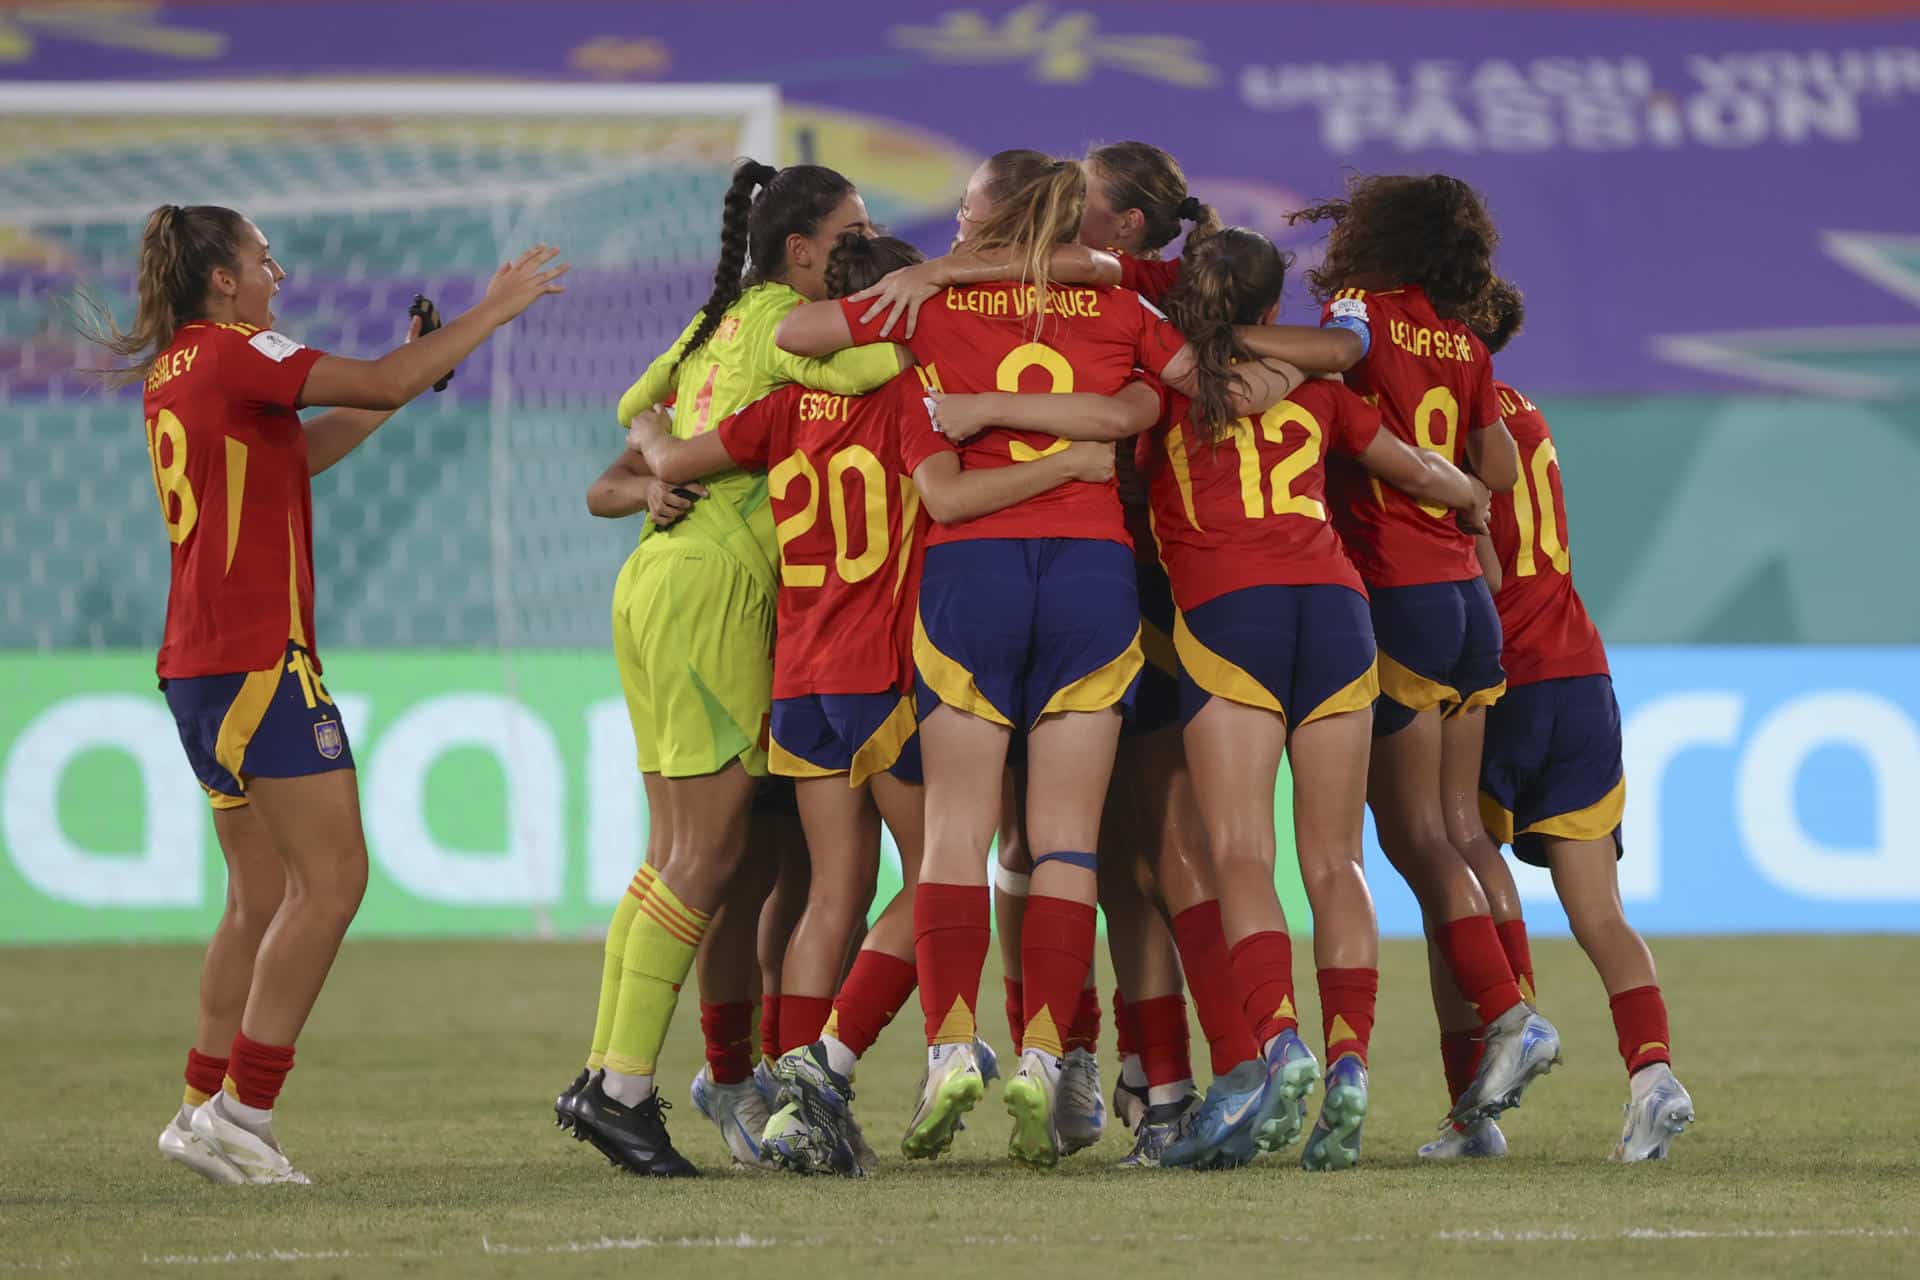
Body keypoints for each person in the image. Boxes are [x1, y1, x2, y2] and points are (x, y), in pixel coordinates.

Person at [776, 156, 1285, 1170]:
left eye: (967, 208)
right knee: (1066, 843)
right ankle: (1047, 1057)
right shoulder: (1117, 308)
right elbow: (1223, 384)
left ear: (989, 219)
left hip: (974, 576)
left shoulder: (926, 304)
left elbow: (796, 332)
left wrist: (951, 279)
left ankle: (953, 1040)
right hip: (1094, 575)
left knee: (957, 840)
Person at [80, 204, 564, 1184]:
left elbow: (307, 449)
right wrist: (493, 310)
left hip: (197, 664)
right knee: (334, 877)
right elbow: (381, 375)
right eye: (265, 257)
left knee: (261, 892)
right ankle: (247, 1113)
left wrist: (415, 371)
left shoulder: (181, 369)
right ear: (223, 278)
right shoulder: (234, 345)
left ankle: (198, 1105)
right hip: (259, 654)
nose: (279, 272)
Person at [633, 233, 1124, 1175]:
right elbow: (945, 497)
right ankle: (850, 1063)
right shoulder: (909, 399)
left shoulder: (781, 405)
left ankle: (789, 1097)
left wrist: (652, 441)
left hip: (802, 674)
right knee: (946, 867)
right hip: (890, 673)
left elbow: (645, 462)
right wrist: (1069, 466)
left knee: (833, 892)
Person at [562, 159, 906, 1178]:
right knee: (709, 860)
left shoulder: (718, 320)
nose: (861, 247)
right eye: (853, 233)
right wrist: (941, 307)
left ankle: (607, 1074)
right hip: (719, 593)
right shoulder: (788, 332)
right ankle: (623, 1088)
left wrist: (659, 450)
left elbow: (634, 401)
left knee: (678, 852)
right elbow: (879, 369)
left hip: (656, 581)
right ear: (803, 250)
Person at [1276, 174, 1562, 1129]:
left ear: (1375, 234)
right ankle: (1472, 1109)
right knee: (1463, 833)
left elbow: (1320, 408)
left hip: (1392, 590)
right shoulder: (1464, 338)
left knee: (1415, 841)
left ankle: (1513, 1016)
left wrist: (1377, 454)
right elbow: (1498, 469)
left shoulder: (1355, 317)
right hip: (1465, 598)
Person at [1417, 281, 1694, 1162]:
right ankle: (1654, 1076)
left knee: (1457, 862)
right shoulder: (1524, 413)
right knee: (1599, 913)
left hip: (1503, 677)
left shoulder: (1453, 421)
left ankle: (1486, 1095)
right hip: (1583, 676)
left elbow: (1489, 571)